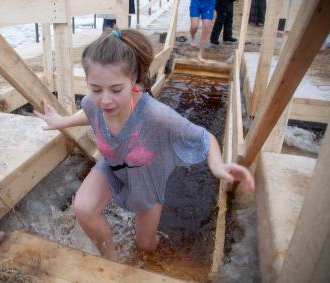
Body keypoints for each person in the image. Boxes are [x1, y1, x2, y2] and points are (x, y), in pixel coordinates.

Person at [35, 28, 255, 261]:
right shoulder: (93, 103)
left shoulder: (155, 114)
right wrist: (61, 121)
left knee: (146, 244)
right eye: (96, 88)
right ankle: (111, 260)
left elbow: (204, 137)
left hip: (146, 180)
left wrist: (218, 166)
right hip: (112, 167)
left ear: (134, 81)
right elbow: (91, 113)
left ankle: (153, 263)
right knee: (84, 208)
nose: (105, 100)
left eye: (116, 89)